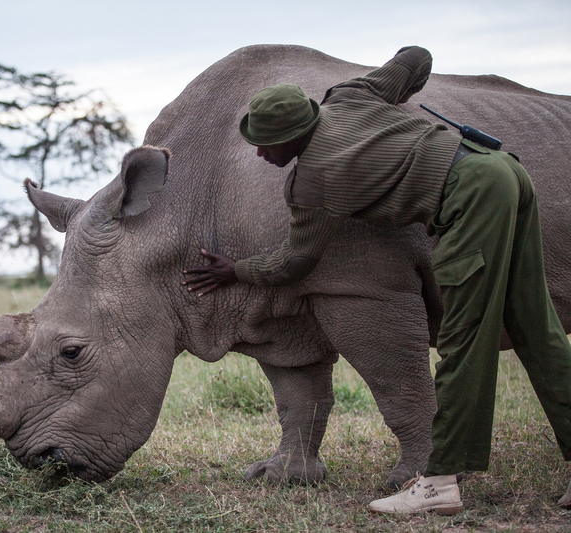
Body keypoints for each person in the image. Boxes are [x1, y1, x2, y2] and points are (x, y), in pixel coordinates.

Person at [182, 46, 571, 514]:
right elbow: (416, 56)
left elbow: (294, 264)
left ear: (293, 137)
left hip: (472, 202)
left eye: (268, 143)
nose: (261, 153)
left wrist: (235, 269)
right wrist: (402, 94)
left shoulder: (314, 182)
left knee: (463, 339)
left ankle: (439, 482)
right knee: (534, 327)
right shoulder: (349, 96)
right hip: (504, 170)